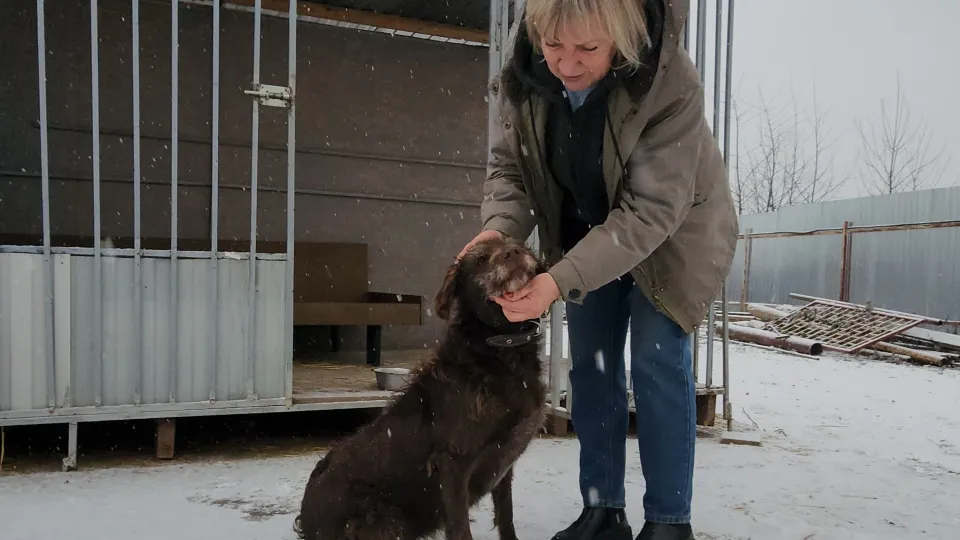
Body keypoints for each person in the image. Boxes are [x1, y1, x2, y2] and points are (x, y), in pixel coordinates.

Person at [457, 1, 739, 539]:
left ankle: (668, 522)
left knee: (657, 364)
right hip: (585, 227)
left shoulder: (669, 82)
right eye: (554, 46)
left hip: (673, 236)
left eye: (587, 48)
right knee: (593, 366)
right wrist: (498, 230)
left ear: (622, 36)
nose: (566, 64)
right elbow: (509, 169)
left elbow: (651, 210)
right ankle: (602, 509)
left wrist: (556, 282)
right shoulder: (522, 76)